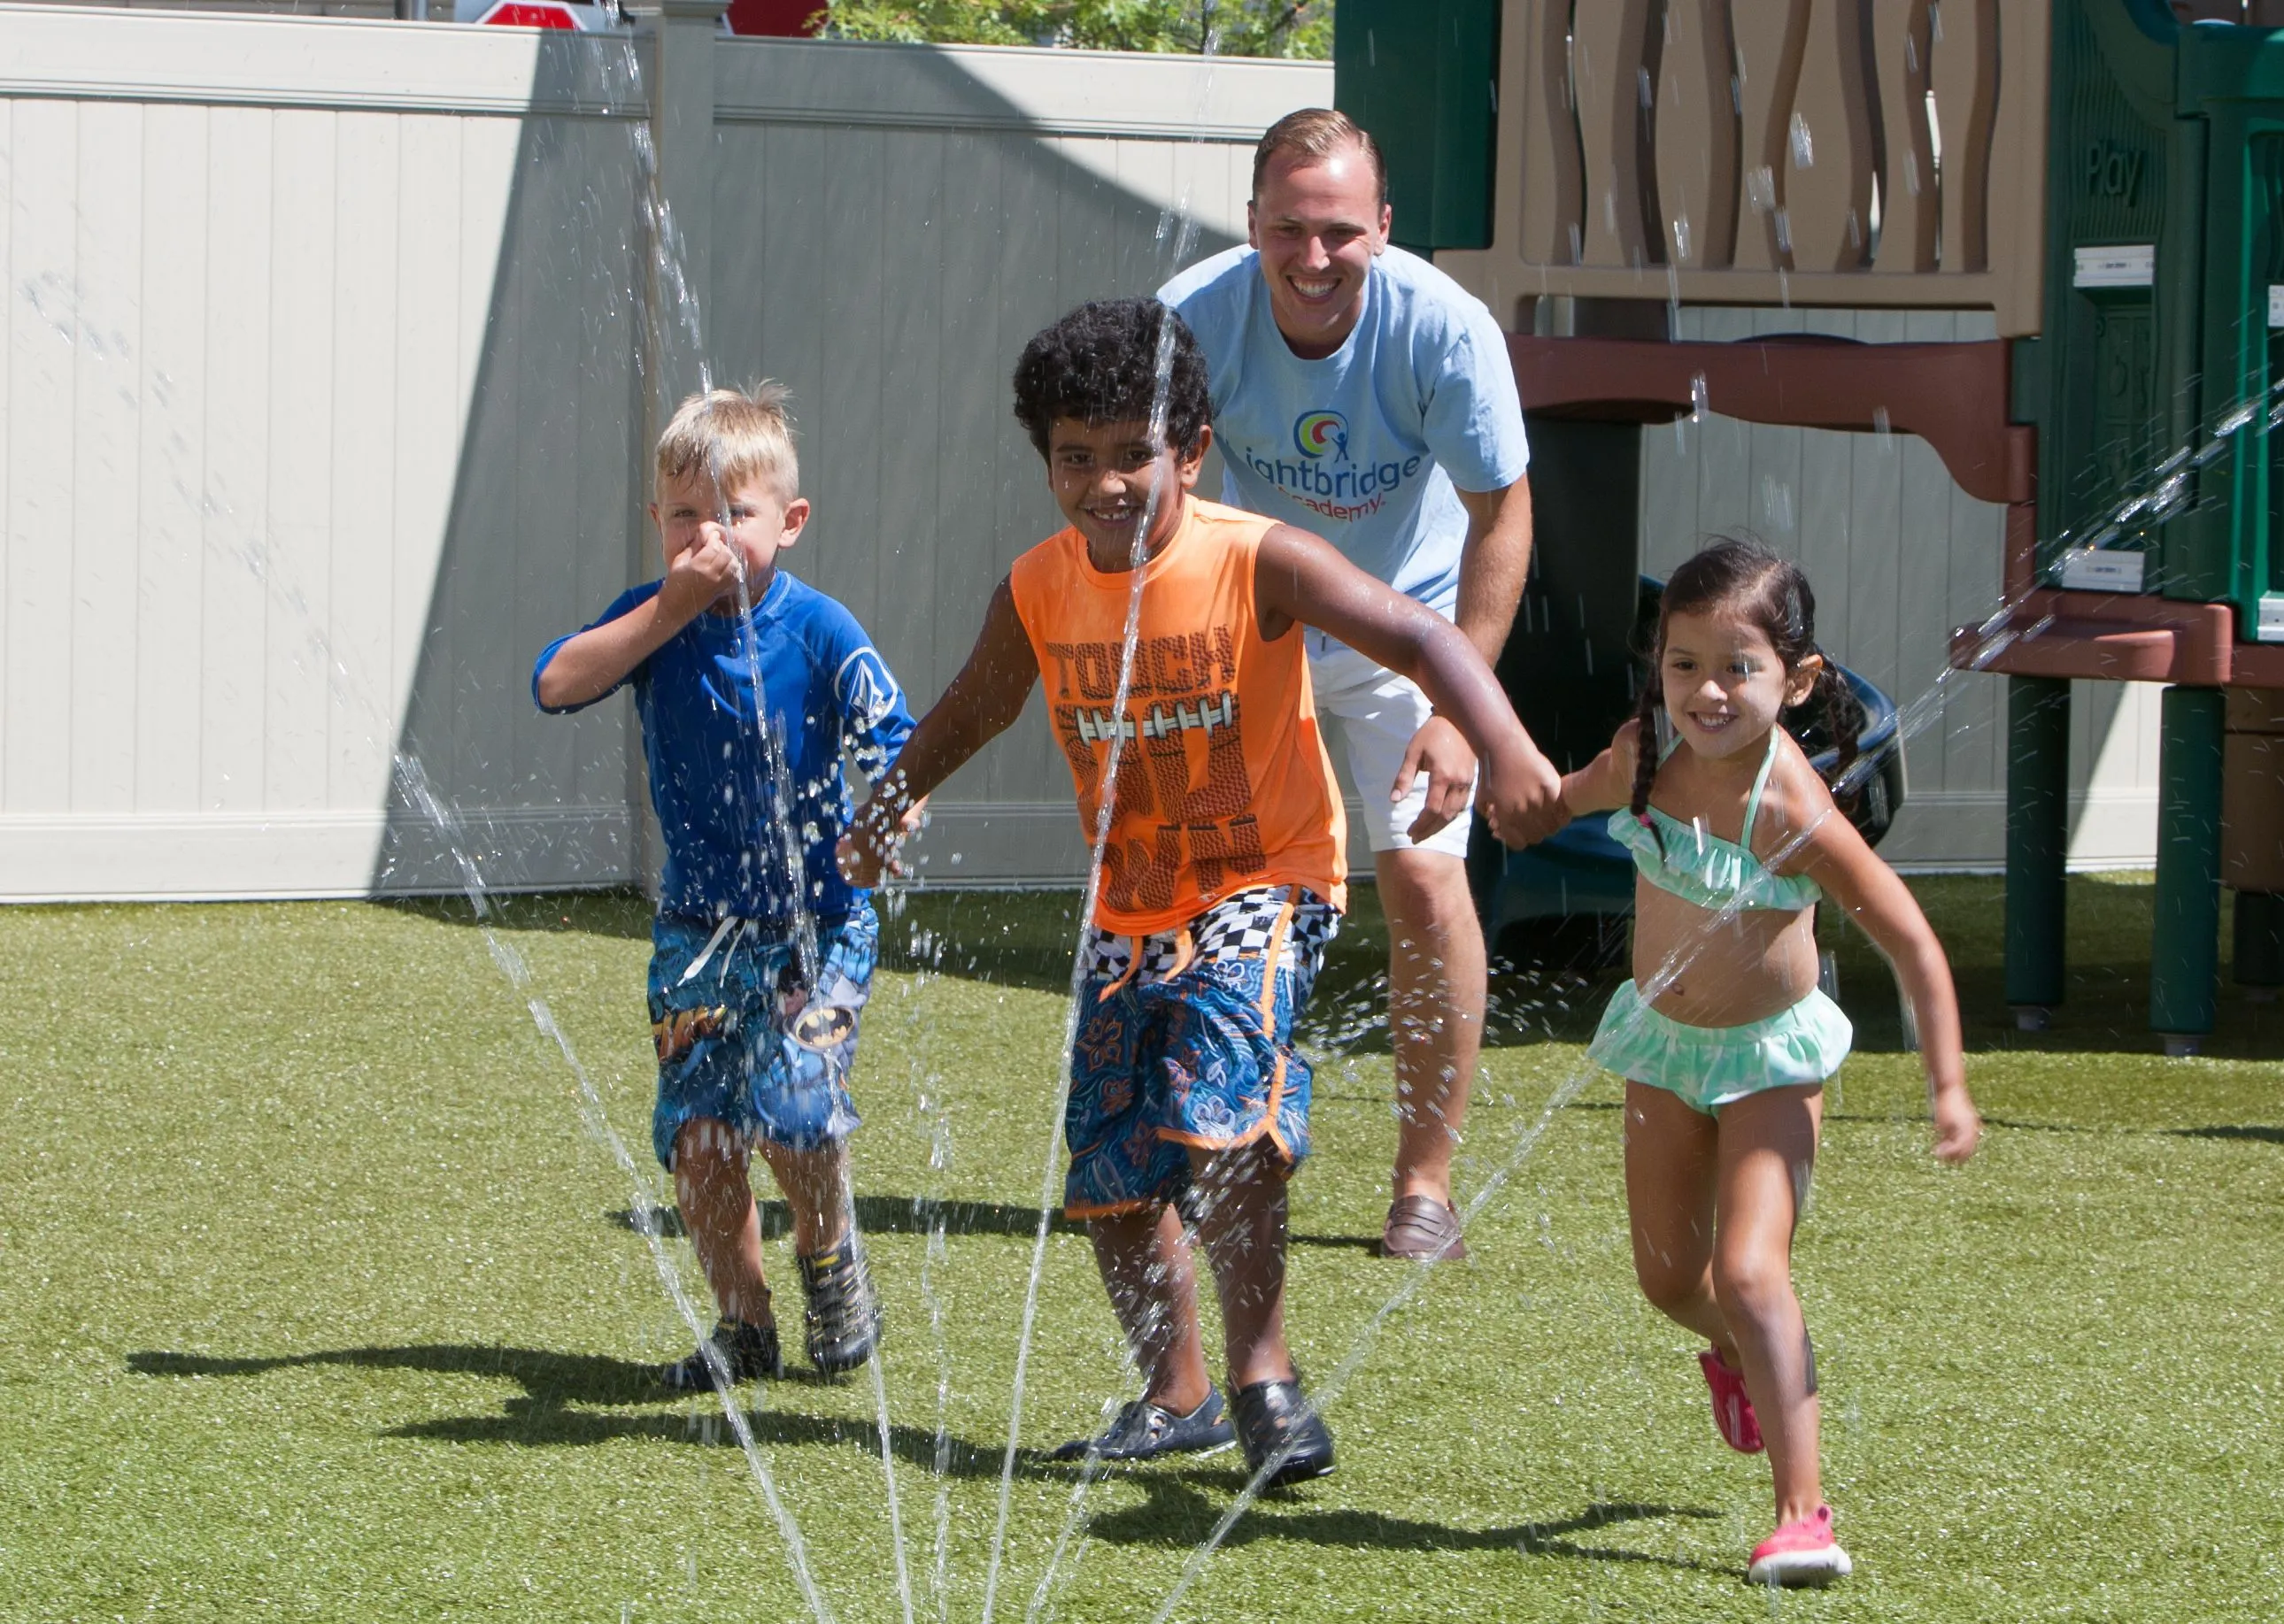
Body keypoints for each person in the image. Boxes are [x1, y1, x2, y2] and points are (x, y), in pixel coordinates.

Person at [837, 300, 1558, 1482]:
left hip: (1264, 880)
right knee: (1112, 1169)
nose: (1106, 481)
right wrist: (892, 796)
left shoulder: (1255, 556)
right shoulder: (1037, 585)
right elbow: (978, 699)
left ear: (1191, 449)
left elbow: (1423, 635)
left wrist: (1494, 738)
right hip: (1128, 904)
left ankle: (1262, 1376)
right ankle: (1176, 1395)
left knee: (1221, 1107)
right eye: (1077, 455)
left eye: (1133, 453)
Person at [1509, 539, 1980, 1585]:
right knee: (1669, 1277)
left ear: (1796, 678)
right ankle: (1741, 1360)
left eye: (1738, 667)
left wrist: (1944, 1080)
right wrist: (1512, 805)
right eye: (1684, 664)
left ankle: (1801, 1511)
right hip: (1660, 1050)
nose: (1707, 691)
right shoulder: (1643, 756)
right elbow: (1566, 798)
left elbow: (1910, 938)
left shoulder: (1793, 809)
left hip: (1770, 1060)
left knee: (1751, 1270)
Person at [1161, 108, 1534, 1263]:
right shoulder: (1189, 318)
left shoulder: (1445, 331)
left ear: (1380, 225)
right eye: (1287, 230)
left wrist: (1455, 705)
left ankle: (1423, 1185)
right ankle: (1194, 1141)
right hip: (1246, 623)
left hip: (1406, 632)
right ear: (1254, 223)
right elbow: (1141, 490)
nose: (1311, 258)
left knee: (1424, 888)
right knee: (1195, 890)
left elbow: (1501, 515)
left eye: (1337, 231)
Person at [533, 384, 913, 1391]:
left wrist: (897, 806)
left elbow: (894, 737)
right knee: (699, 1138)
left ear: (787, 523)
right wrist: (668, 607)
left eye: (733, 514)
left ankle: (828, 1258)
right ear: (658, 522)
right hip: (698, 930)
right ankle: (743, 1321)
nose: (709, 535)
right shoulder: (654, 621)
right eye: (687, 514)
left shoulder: (820, 627)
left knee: (796, 1107)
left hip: (818, 925)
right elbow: (557, 683)